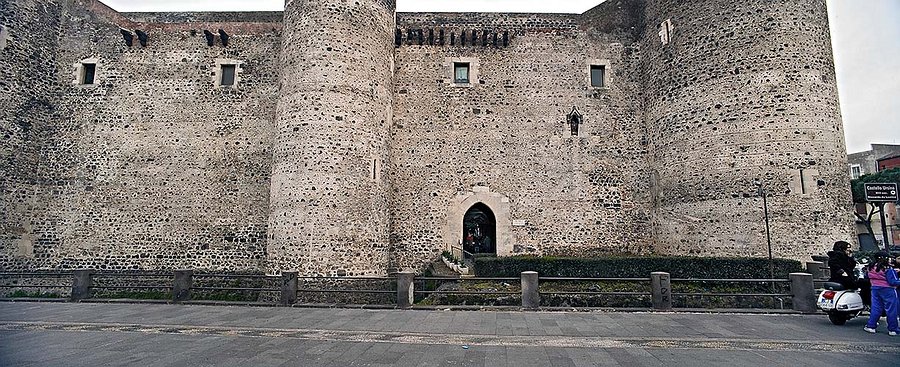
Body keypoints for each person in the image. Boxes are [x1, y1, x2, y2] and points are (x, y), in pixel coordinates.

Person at [863, 251, 900, 335]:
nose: (891, 260)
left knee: (876, 308)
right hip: (888, 290)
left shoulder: (870, 267)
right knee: (891, 309)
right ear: (885, 259)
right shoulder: (888, 269)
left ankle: (871, 326)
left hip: (875, 289)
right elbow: (893, 282)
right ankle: (893, 329)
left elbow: (867, 276)